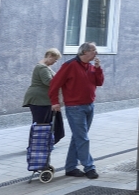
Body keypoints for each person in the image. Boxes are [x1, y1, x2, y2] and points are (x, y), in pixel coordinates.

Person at [49, 42, 105, 179]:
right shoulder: (69, 66)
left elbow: (99, 82)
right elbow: (54, 84)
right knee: (82, 138)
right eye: (93, 50)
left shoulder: (91, 66)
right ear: (84, 52)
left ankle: (70, 167)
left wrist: (98, 69)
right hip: (75, 108)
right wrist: (54, 102)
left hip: (89, 105)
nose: (96, 53)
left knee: (78, 137)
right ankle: (89, 167)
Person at [23, 48, 62, 137]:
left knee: (42, 123)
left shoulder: (45, 67)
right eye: (55, 60)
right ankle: (35, 146)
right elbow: (49, 82)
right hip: (39, 99)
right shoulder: (42, 68)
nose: (55, 62)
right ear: (49, 56)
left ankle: (41, 144)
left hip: (43, 99)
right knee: (40, 123)